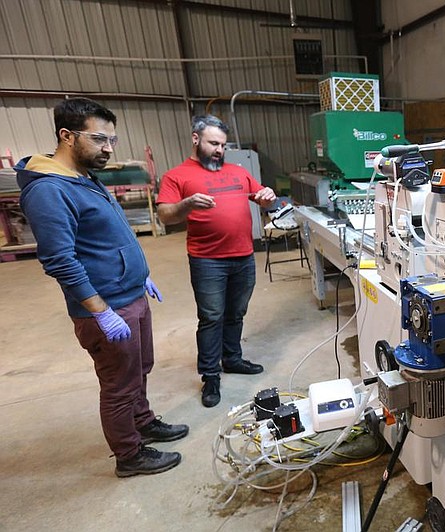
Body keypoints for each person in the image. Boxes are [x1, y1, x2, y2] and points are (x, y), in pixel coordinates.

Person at [15, 97, 189, 478]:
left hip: (131, 294)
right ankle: (129, 455)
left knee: (140, 368)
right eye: (99, 140)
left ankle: (143, 423)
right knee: (118, 384)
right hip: (107, 307)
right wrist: (100, 310)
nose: (109, 149)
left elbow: (107, 234)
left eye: (112, 140)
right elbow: (59, 260)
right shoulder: (48, 190)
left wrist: (138, 273)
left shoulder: (83, 176)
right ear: (67, 135)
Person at [157, 115, 276, 408]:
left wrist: (267, 197)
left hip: (244, 255)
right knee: (211, 317)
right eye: (213, 143)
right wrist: (186, 204)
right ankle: (210, 375)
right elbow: (165, 215)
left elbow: (262, 198)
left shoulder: (238, 172)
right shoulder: (177, 176)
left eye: (223, 145)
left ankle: (232, 359)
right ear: (196, 139)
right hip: (207, 260)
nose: (219, 150)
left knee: (236, 312)